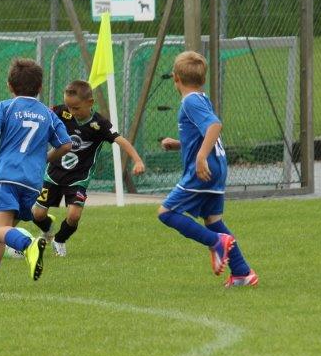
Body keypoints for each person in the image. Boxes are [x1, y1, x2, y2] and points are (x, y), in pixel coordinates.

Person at [0, 58, 73, 293]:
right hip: (32, 184)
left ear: (9, 86)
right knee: (1, 235)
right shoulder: (48, 114)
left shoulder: (6, 107)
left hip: (7, 178)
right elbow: (66, 144)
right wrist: (44, 158)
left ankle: (28, 244)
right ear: (40, 87)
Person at [157, 50, 258, 287]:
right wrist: (180, 144)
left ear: (175, 78)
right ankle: (242, 273)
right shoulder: (202, 98)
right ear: (203, 79)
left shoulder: (190, 101)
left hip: (204, 169)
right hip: (217, 167)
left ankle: (216, 242)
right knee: (213, 221)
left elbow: (214, 125)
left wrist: (200, 157)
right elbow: (203, 133)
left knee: (166, 213)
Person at [29, 79, 146, 257]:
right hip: (53, 174)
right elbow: (41, 114)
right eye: (68, 107)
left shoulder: (99, 124)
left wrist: (137, 160)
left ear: (90, 102)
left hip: (79, 178)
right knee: (37, 214)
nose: (71, 112)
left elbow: (121, 140)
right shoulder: (60, 111)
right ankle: (48, 229)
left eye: (76, 108)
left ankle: (59, 240)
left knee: (74, 216)